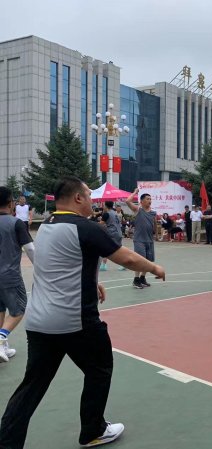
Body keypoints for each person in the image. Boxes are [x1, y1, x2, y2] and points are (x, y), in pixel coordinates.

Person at [0, 176, 165, 449]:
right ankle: (93, 430)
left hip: (40, 322)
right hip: (75, 320)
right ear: (77, 198)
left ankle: (7, 442)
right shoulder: (85, 227)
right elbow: (126, 257)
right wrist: (154, 267)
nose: (91, 200)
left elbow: (58, 263)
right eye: (88, 195)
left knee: (32, 386)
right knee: (100, 368)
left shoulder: (48, 225)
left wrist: (92, 281)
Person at [0, 187, 35, 362]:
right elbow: (30, 249)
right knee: (19, 309)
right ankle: (1, 338)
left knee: (0, 309)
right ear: (11, 203)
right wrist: (41, 269)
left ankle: (2, 347)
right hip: (9, 275)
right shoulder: (16, 223)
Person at [126, 188, 158, 289]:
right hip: (139, 240)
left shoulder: (153, 213)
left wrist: (156, 235)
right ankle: (136, 280)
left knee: (148, 261)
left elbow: (155, 224)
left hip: (149, 240)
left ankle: (142, 278)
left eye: (150, 199)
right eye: (147, 199)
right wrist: (135, 192)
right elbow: (127, 201)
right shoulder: (138, 210)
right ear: (142, 201)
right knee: (140, 260)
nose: (150, 200)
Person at [99, 201, 125, 271]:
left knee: (105, 248)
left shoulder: (106, 214)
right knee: (118, 250)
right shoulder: (115, 213)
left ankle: (103, 265)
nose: (103, 207)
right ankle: (123, 264)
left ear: (106, 206)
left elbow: (100, 224)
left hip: (112, 233)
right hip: (118, 232)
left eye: (104, 205)